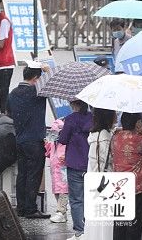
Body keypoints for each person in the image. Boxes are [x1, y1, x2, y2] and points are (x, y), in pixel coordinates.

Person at [7, 63, 49, 219]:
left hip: (20, 139)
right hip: (35, 140)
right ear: (36, 78)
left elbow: (8, 113)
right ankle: (31, 209)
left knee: (22, 174)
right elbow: (51, 83)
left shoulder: (13, 93)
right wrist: (47, 71)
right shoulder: (37, 91)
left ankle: (21, 207)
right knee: (34, 174)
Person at [111, 113, 142, 240]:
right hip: (136, 186)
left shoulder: (116, 137)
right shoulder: (139, 139)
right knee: (134, 223)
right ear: (137, 123)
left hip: (119, 186)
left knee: (119, 221)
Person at [58, 99, 92, 239]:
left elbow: (63, 139)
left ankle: (80, 230)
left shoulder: (70, 119)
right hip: (90, 163)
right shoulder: (93, 118)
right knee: (90, 197)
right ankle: (90, 228)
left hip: (74, 162)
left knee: (76, 199)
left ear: (74, 105)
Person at [84, 108, 116, 240]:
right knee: (104, 222)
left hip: (95, 181)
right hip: (104, 184)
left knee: (95, 221)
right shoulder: (104, 137)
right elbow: (103, 163)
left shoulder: (96, 135)